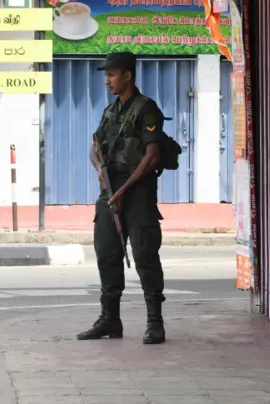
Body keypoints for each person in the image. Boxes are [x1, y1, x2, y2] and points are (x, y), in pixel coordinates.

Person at [77, 52, 166, 345]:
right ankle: (110, 319)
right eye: (106, 75)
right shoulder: (109, 112)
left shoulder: (147, 109)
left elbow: (151, 157)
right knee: (107, 255)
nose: (107, 81)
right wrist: (100, 169)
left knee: (144, 257)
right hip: (110, 192)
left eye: (112, 75)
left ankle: (155, 323)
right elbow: (94, 146)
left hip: (137, 194)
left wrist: (125, 189)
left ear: (128, 75)